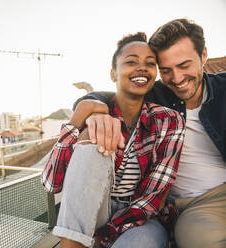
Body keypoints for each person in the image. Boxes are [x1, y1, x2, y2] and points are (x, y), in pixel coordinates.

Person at [74, 18, 226, 248]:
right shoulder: (156, 94)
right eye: (166, 70)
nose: (177, 79)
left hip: (222, 191)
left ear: (203, 55)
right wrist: (92, 108)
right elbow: (108, 95)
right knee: (195, 238)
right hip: (184, 207)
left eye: (184, 65)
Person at [41, 32, 185, 248]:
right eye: (131, 62)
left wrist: (105, 235)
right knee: (91, 139)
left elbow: (155, 195)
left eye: (150, 63)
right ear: (113, 74)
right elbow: (51, 183)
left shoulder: (168, 120)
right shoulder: (93, 118)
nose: (142, 68)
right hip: (93, 211)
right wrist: (80, 116)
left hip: (141, 218)